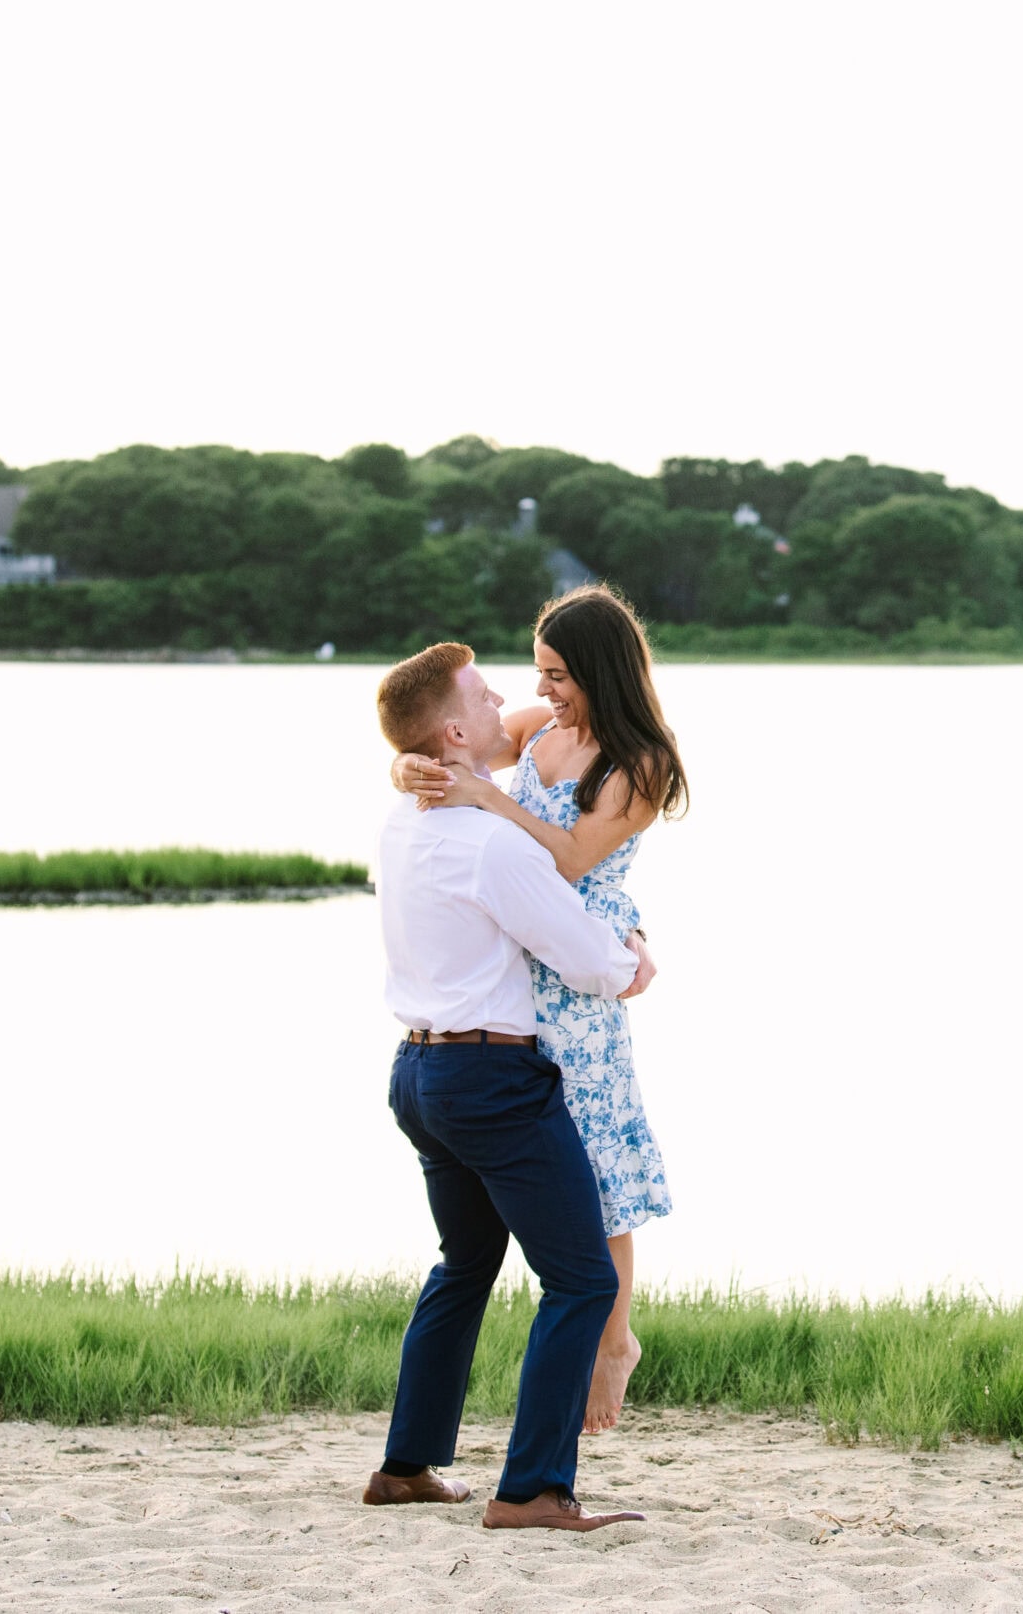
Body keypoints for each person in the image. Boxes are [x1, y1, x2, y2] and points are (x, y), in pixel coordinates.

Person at [366, 639, 651, 1532]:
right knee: (578, 1280)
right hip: (490, 1080)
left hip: (418, 1073)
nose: (506, 701)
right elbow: (583, 953)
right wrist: (632, 960)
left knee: (466, 1262)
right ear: (455, 729)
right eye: (485, 694)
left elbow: (483, 754)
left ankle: (407, 1465)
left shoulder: (405, 822)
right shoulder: (492, 843)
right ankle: (531, 1487)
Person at [390, 586, 687, 1433]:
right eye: (539, 673)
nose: (544, 690)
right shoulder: (537, 730)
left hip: (584, 982)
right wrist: (405, 767)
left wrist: (489, 801)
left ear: (598, 669)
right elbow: (448, 738)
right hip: (518, 976)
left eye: (558, 675)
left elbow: (566, 859)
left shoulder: (640, 760)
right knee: (532, 1195)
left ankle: (614, 1341)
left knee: (602, 1179)